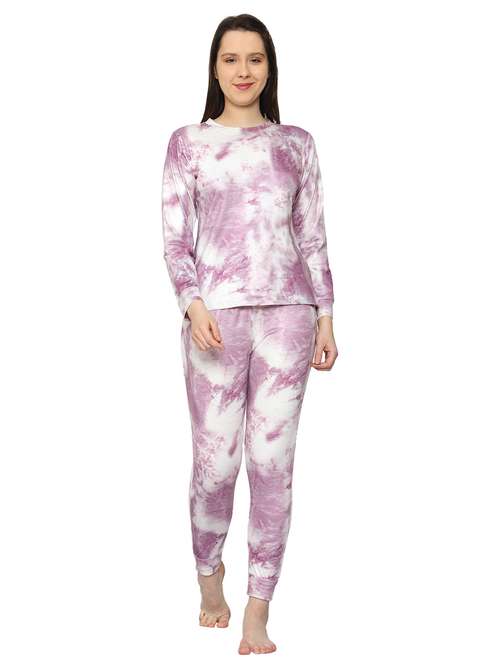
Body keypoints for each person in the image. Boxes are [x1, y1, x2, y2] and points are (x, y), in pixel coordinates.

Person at [161, 13, 339, 656]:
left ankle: (259, 608)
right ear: (215, 68)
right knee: (216, 465)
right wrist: (192, 304)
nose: (243, 71)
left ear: (269, 67)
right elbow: (176, 239)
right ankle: (210, 577)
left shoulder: (297, 143)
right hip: (215, 321)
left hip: (289, 316)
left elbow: (312, 236)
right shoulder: (188, 143)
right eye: (231, 59)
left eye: (255, 59)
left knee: (273, 466)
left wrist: (325, 313)